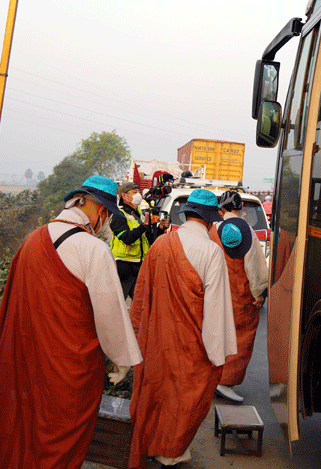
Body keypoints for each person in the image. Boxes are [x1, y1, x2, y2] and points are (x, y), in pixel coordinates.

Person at [0, 175, 142, 469]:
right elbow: (111, 315)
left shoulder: (33, 239)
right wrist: (121, 359)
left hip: (24, 361)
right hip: (66, 369)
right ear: (101, 212)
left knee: (20, 434)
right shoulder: (94, 250)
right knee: (56, 444)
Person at [128, 189, 237, 468]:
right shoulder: (211, 251)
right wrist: (217, 354)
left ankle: (153, 444)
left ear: (187, 214)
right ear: (210, 220)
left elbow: (141, 297)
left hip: (158, 340)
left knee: (159, 393)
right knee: (185, 398)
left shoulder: (161, 244)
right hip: (193, 344)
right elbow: (216, 310)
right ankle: (172, 450)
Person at [209, 195, 267, 403]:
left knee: (217, 333)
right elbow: (254, 267)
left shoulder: (213, 230)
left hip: (217, 290)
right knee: (240, 337)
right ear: (240, 206)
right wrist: (258, 293)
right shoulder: (245, 230)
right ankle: (225, 381)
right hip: (239, 294)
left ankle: (213, 376)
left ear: (221, 209)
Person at [110, 180, 168, 299]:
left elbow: (149, 240)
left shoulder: (140, 214)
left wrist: (160, 228)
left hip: (138, 265)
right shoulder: (118, 215)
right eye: (134, 192)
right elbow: (127, 238)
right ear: (125, 196)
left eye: (139, 192)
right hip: (123, 265)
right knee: (118, 303)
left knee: (141, 303)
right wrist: (146, 225)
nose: (138, 195)